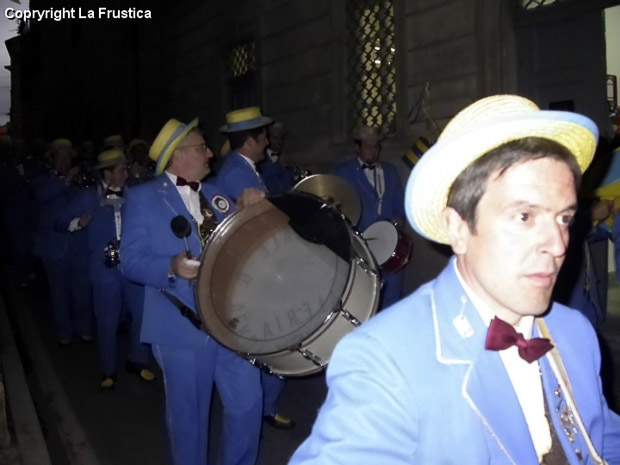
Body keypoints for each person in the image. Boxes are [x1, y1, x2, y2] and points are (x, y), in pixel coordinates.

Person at [289, 95, 620, 464]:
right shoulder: (384, 361)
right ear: (458, 228)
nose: (558, 245)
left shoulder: (576, 332)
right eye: (525, 217)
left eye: (564, 218)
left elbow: (602, 442)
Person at [120, 118, 265, 465]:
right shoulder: (143, 198)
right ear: (179, 155)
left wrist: (250, 211)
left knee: (248, 405)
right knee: (190, 419)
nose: (211, 153)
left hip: (230, 323)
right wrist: (170, 266)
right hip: (181, 326)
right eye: (203, 148)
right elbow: (129, 261)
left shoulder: (217, 195)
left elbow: (242, 247)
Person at [216, 107, 295, 430]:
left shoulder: (244, 169)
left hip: (259, 268)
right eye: (263, 137)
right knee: (274, 339)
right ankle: (263, 406)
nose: (267, 142)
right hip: (254, 272)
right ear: (250, 141)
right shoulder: (236, 174)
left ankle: (265, 404)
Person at [61, 148, 155, 389]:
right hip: (104, 269)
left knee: (141, 315)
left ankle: (138, 360)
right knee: (107, 321)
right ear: (108, 173)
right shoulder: (88, 197)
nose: (126, 174)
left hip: (132, 265)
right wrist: (78, 223)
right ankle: (108, 370)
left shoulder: (134, 194)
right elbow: (59, 222)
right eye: (122, 170)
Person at [334, 125, 407, 309]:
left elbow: (399, 201)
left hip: (389, 242)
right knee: (366, 298)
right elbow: (339, 204)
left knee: (393, 293)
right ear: (357, 147)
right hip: (361, 244)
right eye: (368, 146)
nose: (372, 150)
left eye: (376, 146)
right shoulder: (344, 172)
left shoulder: (390, 171)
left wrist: (399, 218)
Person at [256, 122, 298, 195]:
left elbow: (293, 183)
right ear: (268, 139)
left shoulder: (285, 157)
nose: (279, 142)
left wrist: (293, 169)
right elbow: (264, 179)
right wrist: (278, 164)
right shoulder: (261, 159)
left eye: (281, 138)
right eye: (275, 138)